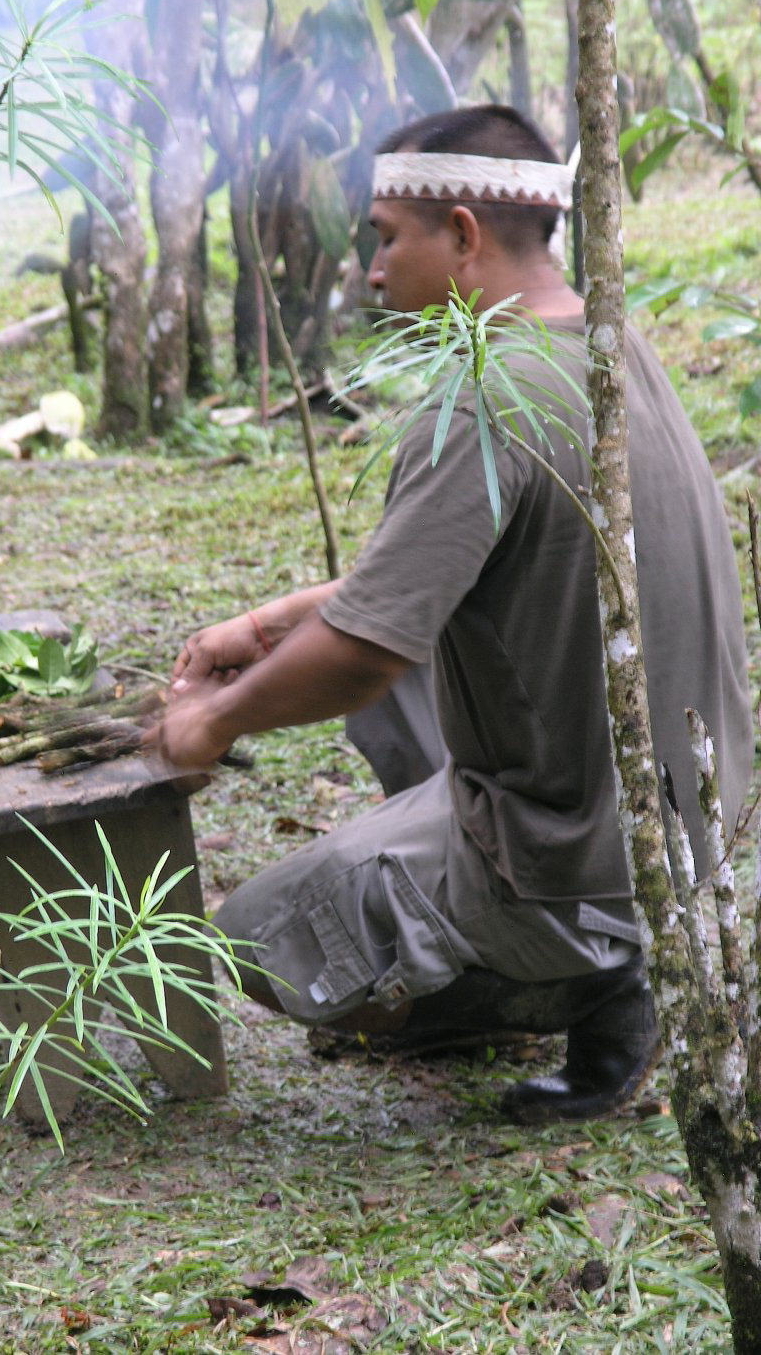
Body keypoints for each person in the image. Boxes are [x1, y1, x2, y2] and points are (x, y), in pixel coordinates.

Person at [149, 105, 753, 1123]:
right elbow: (432, 582)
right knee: (391, 671)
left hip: (588, 863)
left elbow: (360, 653)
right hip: (701, 824)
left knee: (257, 940)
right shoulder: (609, 348)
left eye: (388, 238)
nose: (372, 272)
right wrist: (262, 631)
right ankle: (587, 940)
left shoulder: (480, 397)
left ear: (464, 234)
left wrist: (209, 722)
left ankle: (598, 976)